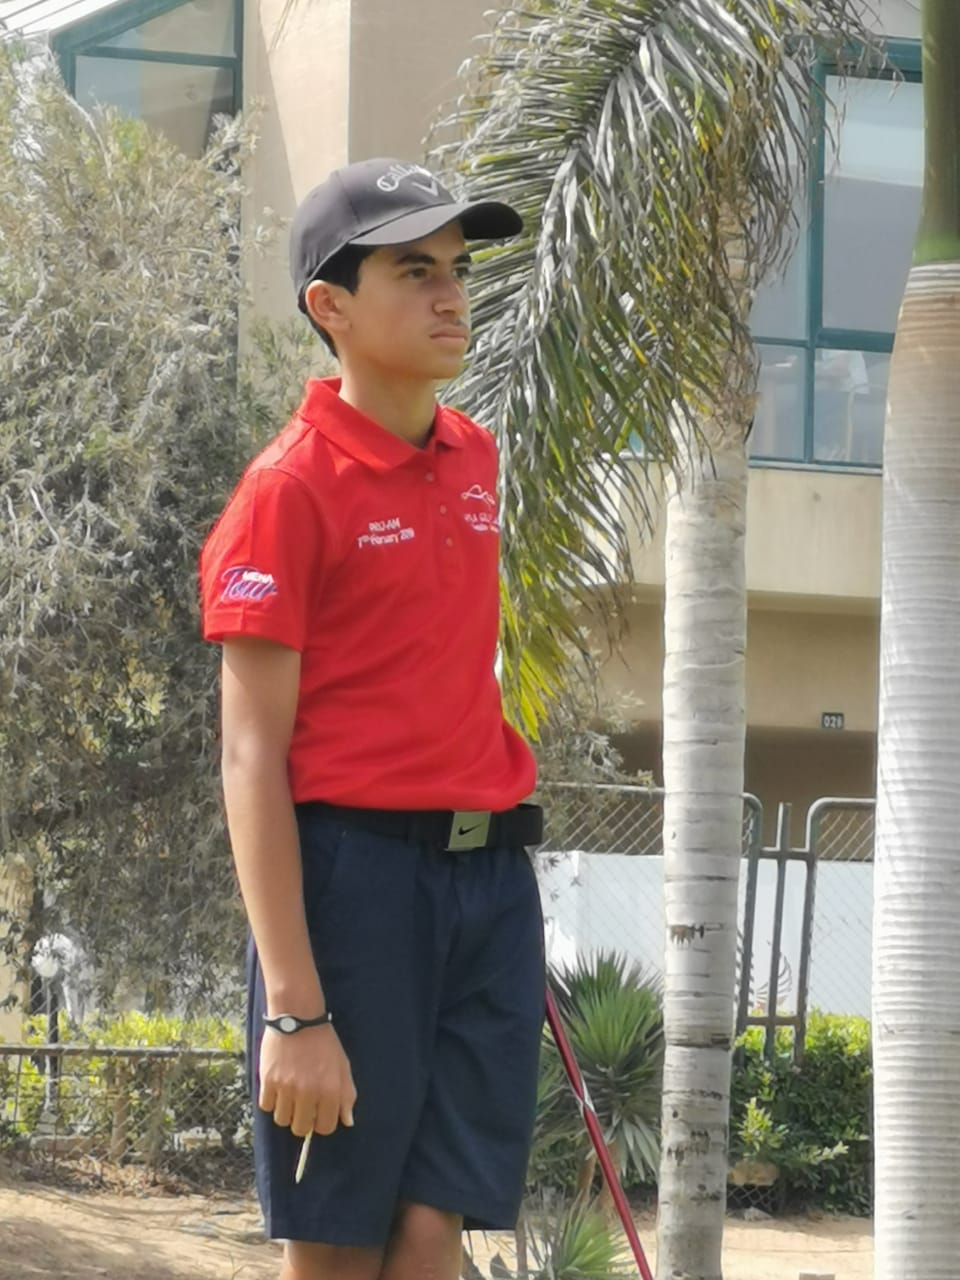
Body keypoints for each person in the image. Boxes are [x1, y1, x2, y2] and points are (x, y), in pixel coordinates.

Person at [199, 158, 546, 1280]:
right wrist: (295, 1011)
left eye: (458, 269)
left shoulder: (476, 457)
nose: (452, 295)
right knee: (340, 1247)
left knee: (436, 1227)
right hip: (353, 891)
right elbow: (250, 756)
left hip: (490, 887)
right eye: (414, 271)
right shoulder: (285, 492)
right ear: (331, 306)